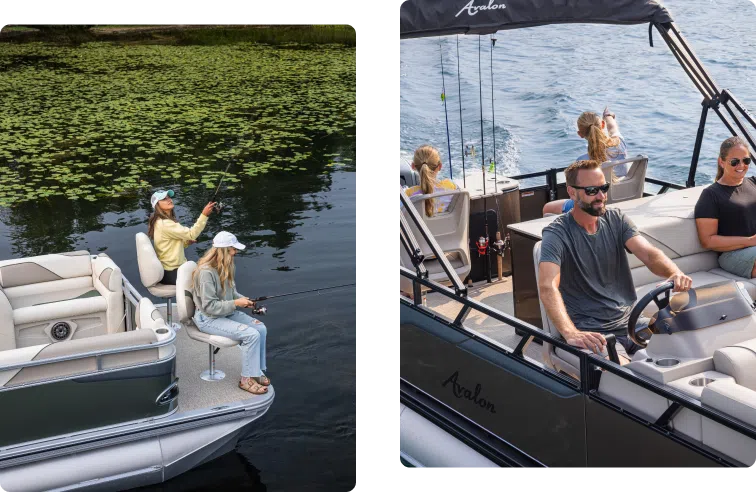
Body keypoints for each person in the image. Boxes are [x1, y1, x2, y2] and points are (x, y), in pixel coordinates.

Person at [538, 159, 692, 363]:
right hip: (595, 333)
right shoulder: (556, 234)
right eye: (592, 190)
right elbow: (548, 285)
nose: (601, 196)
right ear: (572, 192)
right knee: (626, 378)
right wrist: (570, 332)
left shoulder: (616, 219)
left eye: (604, 188)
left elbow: (649, 254)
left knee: (690, 348)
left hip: (632, 322)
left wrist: (674, 273)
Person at [192, 231, 270, 395]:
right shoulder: (206, 273)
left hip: (225, 313)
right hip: (208, 318)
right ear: (222, 251)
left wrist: (245, 301)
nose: (235, 252)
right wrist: (236, 303)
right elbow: (209, 307)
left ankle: (256, 371)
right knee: (251, 335)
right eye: (232, 249)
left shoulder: (227, 266)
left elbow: (232, 293)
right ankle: (245, 380)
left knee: (260, 328)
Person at [543, 107, 629, 216]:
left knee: (547, 208)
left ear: (580, 134)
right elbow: (612, 127)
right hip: (625, 199)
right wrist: (608, 116)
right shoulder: (620, 144)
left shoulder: (582, 162)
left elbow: (575, 195)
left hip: (594, 206)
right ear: (602, 125)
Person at [695, 136, 756, 279]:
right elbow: (707, 241)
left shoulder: (754, 183)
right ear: (721, 162)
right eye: (734, 162)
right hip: (733, 254)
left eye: (746, 160)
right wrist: (749, 241)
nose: (741, 166)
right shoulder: (710, 195)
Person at [148, 189, 216, 285]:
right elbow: (191, 234)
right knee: (208, 279)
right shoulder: (165, 224)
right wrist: (204, 215)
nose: (169, 200)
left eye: (169, 197)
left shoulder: (159, 221)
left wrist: (186, 242)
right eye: (164, 199)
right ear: (157, 205)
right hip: (173, 273)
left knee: (207, 274)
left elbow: (168, 244)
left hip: (168, 270)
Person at [402, 144, 459, 216]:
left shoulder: (409, 194)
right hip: (448, 226)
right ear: (440, 166)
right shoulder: (451, 186)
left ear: (413, 166)